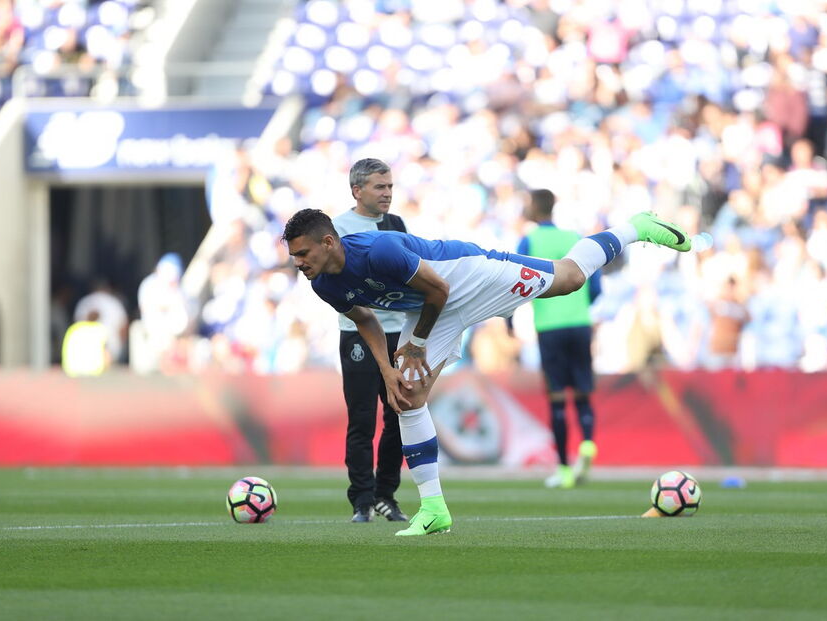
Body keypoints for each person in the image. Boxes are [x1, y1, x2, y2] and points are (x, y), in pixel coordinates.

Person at [281, 205, 692, 536]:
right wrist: (388, 369)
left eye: (302, 253)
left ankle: (635, 227)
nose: (297, 263)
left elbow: (439, 288)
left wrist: (417, 344)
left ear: (329, 242)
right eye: (294, 256)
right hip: (430, 309)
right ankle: (434, 509)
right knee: (406, 396)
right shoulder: (323, 284)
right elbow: (366, 320)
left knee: (568, 278)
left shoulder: (378, 251)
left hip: (469, 275)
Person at [333, 158, 409, 523]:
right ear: (357, 190)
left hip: (399, 332)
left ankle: (385, 495)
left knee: (399, 415)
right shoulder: (338, 228)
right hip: (358, 332)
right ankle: (361, 500)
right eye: (380, 187)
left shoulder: (396, 225)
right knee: (361, 418)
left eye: (390, 186)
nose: (388, 193)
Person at [513, 189, 601, 489]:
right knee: (582, 392)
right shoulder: (575, 238)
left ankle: (564, 469)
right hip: (579, 322)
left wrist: (511, 321)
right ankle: (588, 443)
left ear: (534, 208)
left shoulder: (530, 240)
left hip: (549, 326)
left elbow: (515, 280)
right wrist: (579, 305)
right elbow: (596, 282)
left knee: (557, 399)